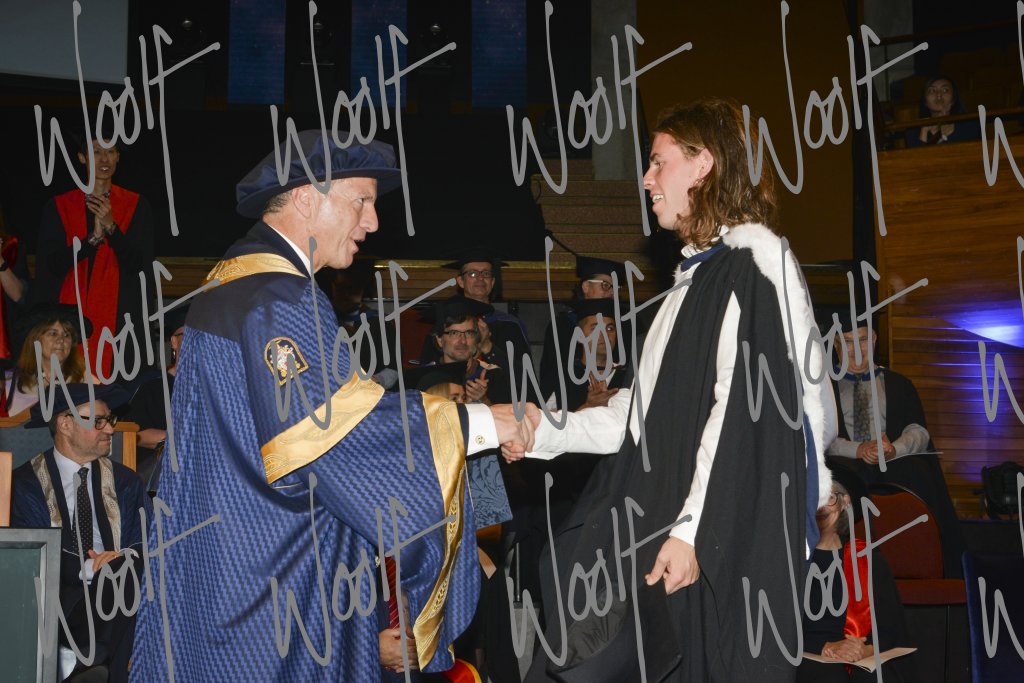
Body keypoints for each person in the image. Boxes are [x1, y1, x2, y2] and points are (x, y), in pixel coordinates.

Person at [129, 130, 531, 681]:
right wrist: (477, 422)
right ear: (304, 197)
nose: (373, 222)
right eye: (360, 201)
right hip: (273, 586)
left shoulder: (231, 287)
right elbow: (337, 437)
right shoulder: (279, 296)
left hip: (221, 571)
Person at [507, 98, 835, 682]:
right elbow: (640, 418)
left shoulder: (755, 267)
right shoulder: (694, 281)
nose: (646, 178)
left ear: (703, 164)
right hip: (664, 519)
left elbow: (742, 415)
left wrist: (691, 533)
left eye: (659, 162)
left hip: (704, 534)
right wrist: (542, 431)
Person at [11, 383, 150, 683]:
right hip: (57, 599)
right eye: (98, 421)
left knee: (126, 572)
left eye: (109, 420)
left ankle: (84, 663)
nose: (110, 429)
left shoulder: (126, 482)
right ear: (65, 424)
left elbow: (144, 540)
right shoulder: (25, 484)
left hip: (120, 586)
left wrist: (117, 561)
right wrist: (90, 567)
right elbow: (30, 554)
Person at [825, 315, 965, 577]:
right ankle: (840, 571)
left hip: (894, 463)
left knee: (918, 473)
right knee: (833, 481)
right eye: (847, 342)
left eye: (862, 340)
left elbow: (918, 432)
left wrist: (893, 449)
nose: (856, 350)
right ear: (835, 345)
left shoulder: (899, 384)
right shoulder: (823, 388)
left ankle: (923, 564)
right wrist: (858, 449)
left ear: (874, 340)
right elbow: (819, 437)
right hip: (845, 465)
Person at [33, 130, 155, 378]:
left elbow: (139, 265)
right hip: (69, 318)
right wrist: (91, 241)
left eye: (111, 152)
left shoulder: (136, 205)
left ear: (118, 157)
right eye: (96, 152)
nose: (104, 159)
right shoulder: (59, 206)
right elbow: (51, 266)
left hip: (120, 322)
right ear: (82, 158)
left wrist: (112, 227)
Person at [799, 469, 917, 683]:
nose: (820, 505)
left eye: (828, 497)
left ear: (845, 502)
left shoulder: (868, 559)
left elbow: (891, 628)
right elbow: (775, 626)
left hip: (861, 655)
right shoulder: (789, 560)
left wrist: (865, 650)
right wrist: (824, 647)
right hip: (807, 655)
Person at [538, 255, 628, 402]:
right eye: (606, 285)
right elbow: (551, 374)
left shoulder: (627, 325)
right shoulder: (563, 326)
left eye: (616, 288)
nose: (612, 293)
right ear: (586, 286)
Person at [3, 304, 94, 416]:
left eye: (67, 335)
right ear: (35, 339)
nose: (61, 340)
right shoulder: (8, 384)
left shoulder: (87, 381)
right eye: (53, 333)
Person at [904, 75, 980, 147]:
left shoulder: (970, 126)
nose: (939, 94)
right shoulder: (912, 132)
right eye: (932, 90)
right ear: (925, 101)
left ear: (953, 99)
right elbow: (918, 156)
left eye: (945, 90)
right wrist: (924, 132)